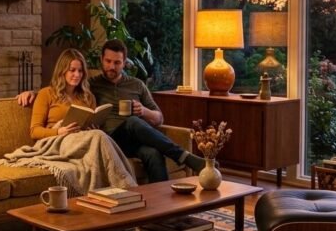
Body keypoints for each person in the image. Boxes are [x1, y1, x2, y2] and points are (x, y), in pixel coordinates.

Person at [18, 39, 204, 182]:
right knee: (132, 122)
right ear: (101, 60)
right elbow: (59, 90)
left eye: (116, 63)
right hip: (109, 139)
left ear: (125, 63)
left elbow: (159, 118)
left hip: (132, 139)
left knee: (152, 153)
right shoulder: (93, 85)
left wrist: (144, 111)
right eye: (108, 61)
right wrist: (31, 93)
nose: (111, 67)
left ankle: (161, 211)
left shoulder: (134, 85)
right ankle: (183, 156)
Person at [0, 48, 136, 195]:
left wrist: (92, 126)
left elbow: (92, 124)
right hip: (57, 142)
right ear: (62, 71)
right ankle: (129, 188)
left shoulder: (88, 97)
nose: (77, 75)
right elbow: (34, 131)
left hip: (83, 141)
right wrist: (59, 131)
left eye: (80, 71)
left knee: (97, 134)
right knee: (100, 136)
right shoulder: (46, 94)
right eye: (72, 70)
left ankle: (115, 192)